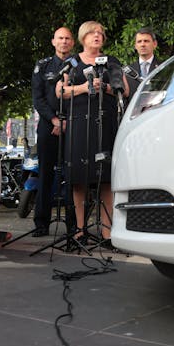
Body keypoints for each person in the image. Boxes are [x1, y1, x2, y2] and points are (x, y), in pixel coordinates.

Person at [55, 21, 129, 247]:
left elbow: (124, 90)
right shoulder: (72, 62)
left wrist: (105, 88)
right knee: (79, 179)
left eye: (100, 34)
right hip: (79, 123)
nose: (97, 36)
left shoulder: (112, 62)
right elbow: (60, 91)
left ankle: (107, 233)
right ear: (83, 37)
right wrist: (83, 89)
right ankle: (79, 231)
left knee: (106, 178)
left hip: (105, 123)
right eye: (92, 33)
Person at [30, 27, 76, 237]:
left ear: (73, 42)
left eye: (67, 38)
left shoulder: (79, 65)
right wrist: (55, 119)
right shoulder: (43, 65)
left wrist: (66, 120)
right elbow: (37, 99)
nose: (64, 41)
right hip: (49, 126)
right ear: (53, 41)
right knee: (45, 175)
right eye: (60, 38)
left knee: (72, 176)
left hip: (73, 125)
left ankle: (73, 225)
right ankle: (41, 223)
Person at [123, 27, 161, 107]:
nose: (142, 44)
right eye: (139, 42)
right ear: (135, 46)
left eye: (146, 41)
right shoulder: (127, 72)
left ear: (155, 44)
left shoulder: (164, 67)